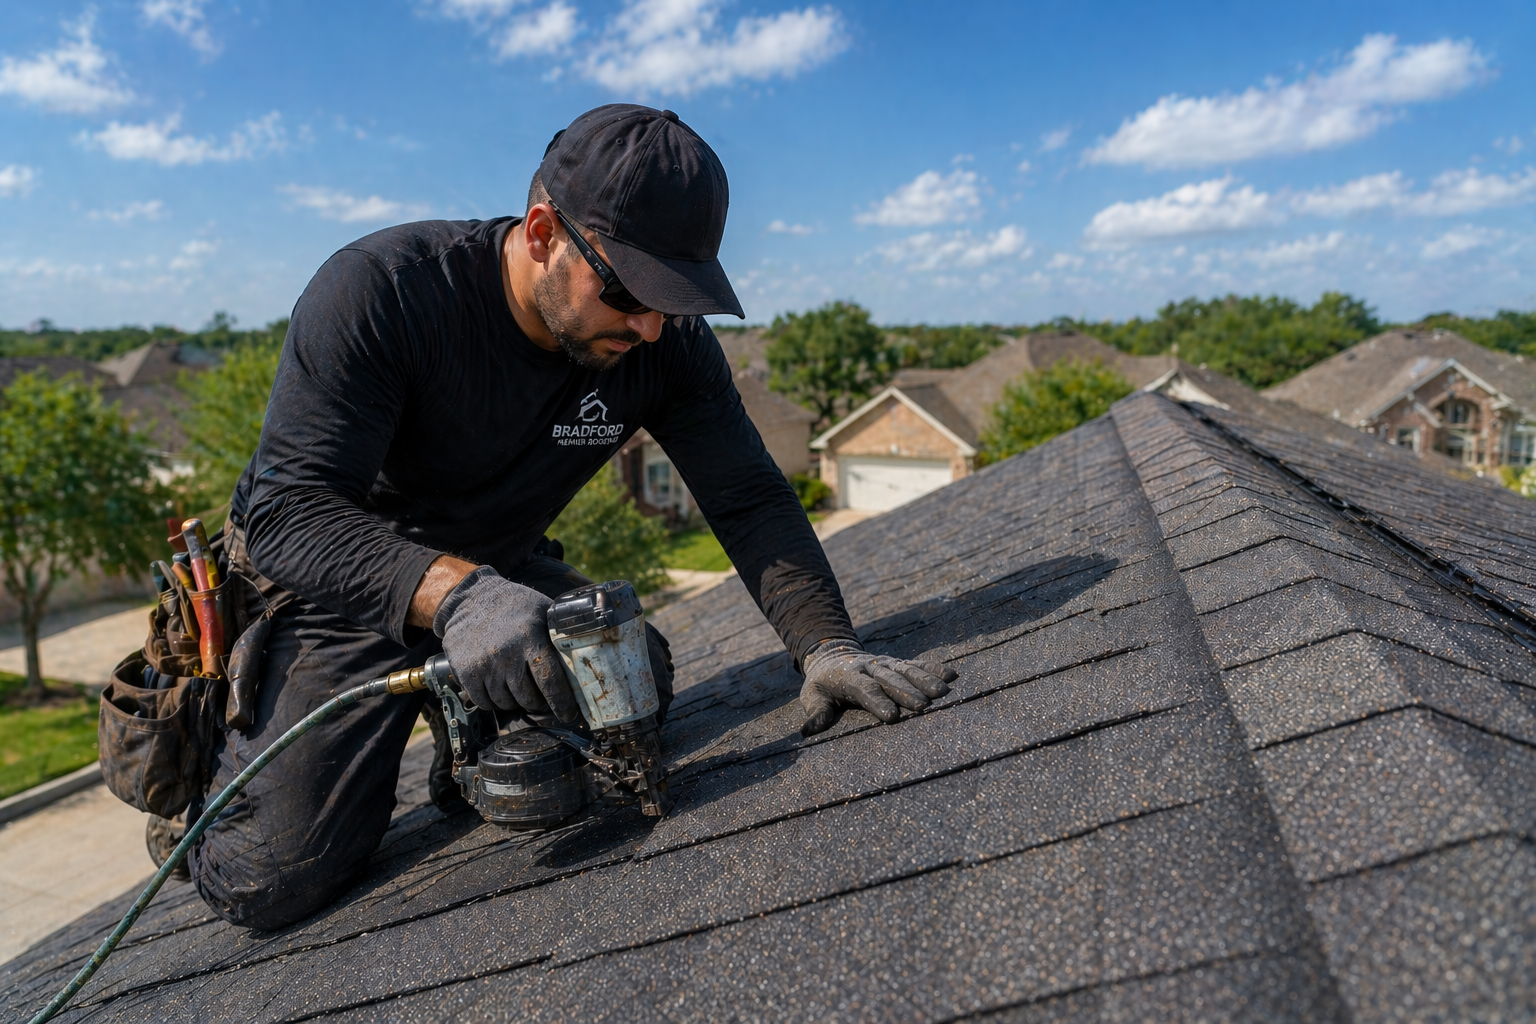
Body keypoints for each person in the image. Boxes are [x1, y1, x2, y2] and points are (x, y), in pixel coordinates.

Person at [179, 104, 955, 930]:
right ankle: (199, 800)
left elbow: (747, 495)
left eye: (674, 297)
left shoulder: (663, 343)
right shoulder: (383, 291)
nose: (651, 325)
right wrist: (460, 597)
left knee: (632, 690)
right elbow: (287, 513)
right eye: (627, 291)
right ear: (544, 231)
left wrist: (824, 643)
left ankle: (466, 724)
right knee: (270, 881)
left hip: (498, 570)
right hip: (340, 578)